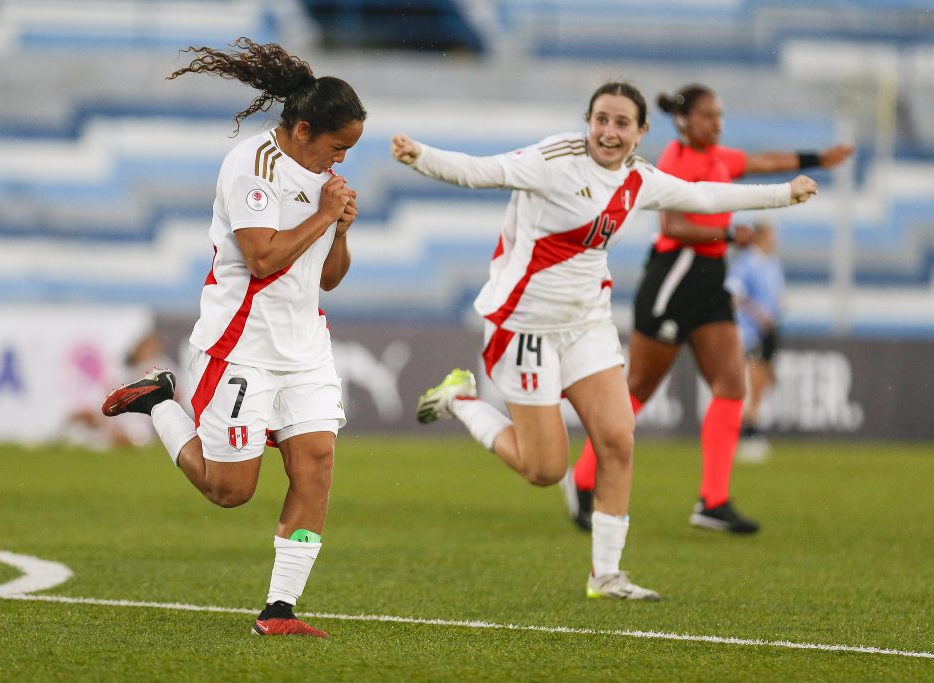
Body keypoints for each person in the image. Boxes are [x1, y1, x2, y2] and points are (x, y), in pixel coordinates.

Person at [390, 82, 817, 600]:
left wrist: (782, 195)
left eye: (621, 123)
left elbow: (703, 194)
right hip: (524, 324)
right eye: (601, 120)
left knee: (617, 437)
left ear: (641, 132)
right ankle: (460, 400)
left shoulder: (639, 178)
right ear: (588, 121)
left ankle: (606, 575)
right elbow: (485, 171)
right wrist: (420, 156)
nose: (608, 132)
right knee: (544, 469)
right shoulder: (554, 159)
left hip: (587, 323)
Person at [101, 37, 366, 638]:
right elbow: (263, 258)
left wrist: (341, 231)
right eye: (337, 147)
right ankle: (162, 402)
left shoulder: (324, 185)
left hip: (305, 345)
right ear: (302, 129)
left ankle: (279, 610)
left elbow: (327, 277)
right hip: (241, 343)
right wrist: (324, 215)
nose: (341, 162)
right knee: (230, 490)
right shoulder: (253, 166)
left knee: (317, 464)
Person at [564, 83, 853, 534]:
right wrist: (728, 235)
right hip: (675, 279)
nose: (717, 123)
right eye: (709, 116)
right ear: (685, 121)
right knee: (637, 389)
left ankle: (712, 500)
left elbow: (767, 162)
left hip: (711, 279)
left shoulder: (721, 158)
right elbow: (673, 225)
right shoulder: (677, 161)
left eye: (720, 116)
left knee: (731, 384)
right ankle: (581, 478)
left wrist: (819, 160)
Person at [727, 220, 785, 462]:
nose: (774, 239)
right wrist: (757, 313)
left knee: (765, 379)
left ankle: (750, 427)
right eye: (771, 234)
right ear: (761, 236)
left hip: (770, 330)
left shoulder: (773, 264)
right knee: (754, 379)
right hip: (749, 331)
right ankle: (748, 432)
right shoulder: (746, 262)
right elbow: (735, 294)